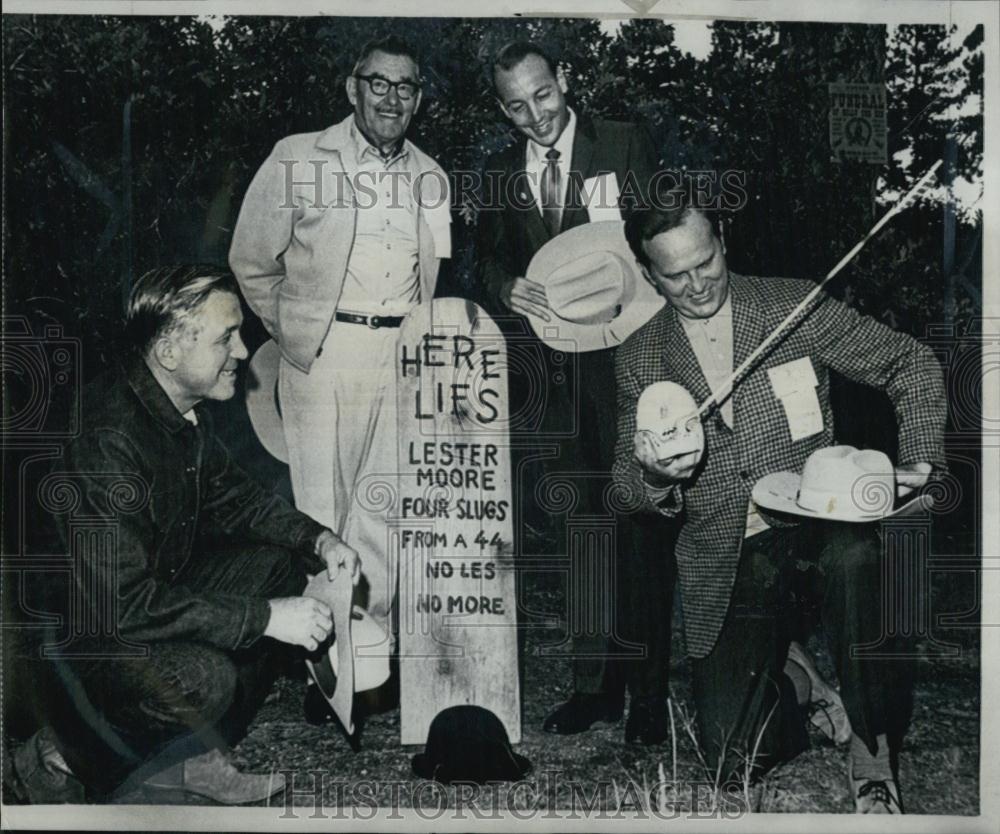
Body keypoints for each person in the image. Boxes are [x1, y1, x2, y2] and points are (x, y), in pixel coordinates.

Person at [614, 198, 946, 813]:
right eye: (675, 275)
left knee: (856, 558)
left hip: (818, 522)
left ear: (722, 241)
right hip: (728, 554)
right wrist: (654, 475)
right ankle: (804, 688)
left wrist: (921, 464)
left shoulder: (790, 306)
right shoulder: (640, 355)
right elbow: (625, 488)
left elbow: (911, 362)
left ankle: (873, 763)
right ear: (648, 274)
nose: (697, 284)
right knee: (728, 764)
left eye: (706, 261)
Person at [10, 265, 360, 805]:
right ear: (170, 350)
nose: (243, 352)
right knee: (206, 678)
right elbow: (125, 607)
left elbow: (238, 499)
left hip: (137, 604)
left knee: (281, 564)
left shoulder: (179, 406)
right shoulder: (109, 440)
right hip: (76, 645)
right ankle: (54, 754)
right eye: (226, 337)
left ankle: (187, 758)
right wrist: (267, 617)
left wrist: (319, 540)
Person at [477, 39, 677, 743]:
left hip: (629, 368)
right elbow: (484, 258)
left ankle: (649, 694)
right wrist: (504, 284)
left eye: (543, 94)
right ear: (502, 110)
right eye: (516, 105)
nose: (534, 115)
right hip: (554, 383)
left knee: (642, 528)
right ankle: (595, 687)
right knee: (582, 531)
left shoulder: (623, 142)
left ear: (564, 80)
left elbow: (665, 235)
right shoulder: (501, 173)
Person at [229, 35, 451, 653]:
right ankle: (324, 655)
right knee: (321, 511)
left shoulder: (431, 177)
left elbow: (435, 276)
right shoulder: (300, 157)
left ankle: (371, 654)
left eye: (405, 87)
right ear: (353, 88)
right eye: (377, 83)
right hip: (323, 358)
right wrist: (297, 331)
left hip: (398, 359)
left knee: (384, 506)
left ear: (418, 99)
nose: (390, 97)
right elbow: (250, 259)